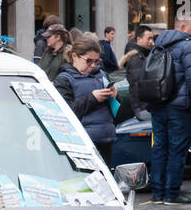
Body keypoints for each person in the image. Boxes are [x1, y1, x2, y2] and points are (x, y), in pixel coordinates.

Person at [142, 16, 191, 204]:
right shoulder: (189, 45)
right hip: (180, 107)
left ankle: (157, 193)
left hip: (158, 104)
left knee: (159, 148)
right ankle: (171, 193)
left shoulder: (159, 44)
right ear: (183, 27)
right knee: (177, 150)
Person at [53, 33, 118, 165]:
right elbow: (66, 113)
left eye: (97, 61)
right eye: (89, 60)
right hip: (81, 143)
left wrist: (115, 96)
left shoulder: (102, 75)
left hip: (106, 139)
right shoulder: (63, 79)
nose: (93, 65)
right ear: (75, 56)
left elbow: (116, 110)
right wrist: (93, 98)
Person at [120, 24, 155, 117]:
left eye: (153, 39)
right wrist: (144, 107)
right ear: (139, 39)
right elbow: (137, 85)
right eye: (149, 38)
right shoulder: (136, 58)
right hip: (143, 107)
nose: (152, 42)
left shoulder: (144, 55)